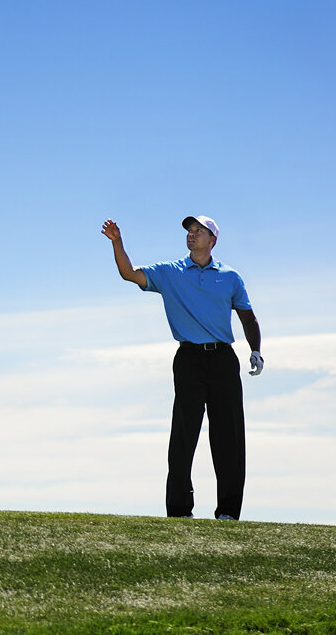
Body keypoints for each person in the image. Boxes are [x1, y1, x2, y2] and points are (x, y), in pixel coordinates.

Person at [101, 215, 262, 520]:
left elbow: (247, 318)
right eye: (189, 231)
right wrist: (117, 242)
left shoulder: (230, 277)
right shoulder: (170, 272)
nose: (192, 235)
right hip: (188, 359)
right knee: (183, 433)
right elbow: (129, 274)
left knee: (228, 435)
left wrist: (256, 351)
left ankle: (228, 511)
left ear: (212, 239)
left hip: (223, 360)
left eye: (198, 231)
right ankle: (178, 510)